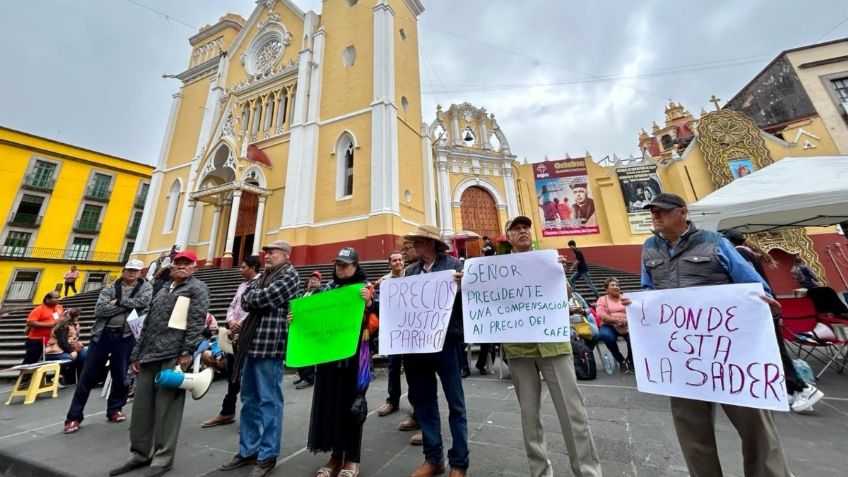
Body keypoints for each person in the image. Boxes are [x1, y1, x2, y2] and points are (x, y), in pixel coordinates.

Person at [641, 192, 792, 477]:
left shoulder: (714, 241)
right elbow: (649, 290)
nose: (655, 215)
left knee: (756, 426)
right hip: (684, 355)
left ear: (682, 212)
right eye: (653, 211)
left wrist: (766, 304)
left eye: (662, 210)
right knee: (691, 428)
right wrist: (637, 307)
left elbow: (754, 286)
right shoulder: (649, 248)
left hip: (731, 353)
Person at [495, 215, 602, 477]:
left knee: (574, 413)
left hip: (553, 343)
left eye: (525, 227)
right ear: (508, 237)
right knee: (529, 418)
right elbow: (489, 299)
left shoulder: (549, 260)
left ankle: (588, 472)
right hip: (519, 347)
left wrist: (560, 274)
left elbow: (565, 295)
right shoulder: (498, 268)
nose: (522, 231)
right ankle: (540, 472)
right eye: (516, 228)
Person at [110, 251, 208, 477]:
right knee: (142, 407)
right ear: (171, 267)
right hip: (150, 354)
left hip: (173, 354)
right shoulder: (163, 289)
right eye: (178, 263)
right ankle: (140, 453)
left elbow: (196, 320)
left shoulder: (197, 288)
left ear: (194, 267)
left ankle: (163, 458)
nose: (182, 266)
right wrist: (136, 354)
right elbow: (147, 323)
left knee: (167, 409)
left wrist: (187, 351)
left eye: (187, 263)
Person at [219, 240, 299, 477]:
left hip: (270, 345)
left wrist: (254, 296)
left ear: (284, 255)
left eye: (271, 252)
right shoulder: (265, 275)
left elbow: (265, 298)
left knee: (269, 401)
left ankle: (267, 455)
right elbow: (246, 298)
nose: (266, 256)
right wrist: (254, 296)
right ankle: (248, 450)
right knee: (250, 399)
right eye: (265, 252)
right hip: (251, 344)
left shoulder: (290, 275)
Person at [723, 230, 824, 412]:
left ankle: (803, 388)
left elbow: (749, 285)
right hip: (764, 307)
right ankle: (790, 389)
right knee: (773, 350)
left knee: (774, 351)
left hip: (759, 309)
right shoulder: (748, 253)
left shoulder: (739, 254)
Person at [403, 224, 468, 477]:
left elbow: (471, 300)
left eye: (416, 241)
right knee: (425, 402)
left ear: (429, 244)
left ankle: (459, 463)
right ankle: (433, 459)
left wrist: (463, 287)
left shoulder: (455, 267)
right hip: (417, 346)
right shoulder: (410, 272)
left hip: (447, 343)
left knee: (456, 403)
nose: (412, 245)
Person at [305, 247, 374, 477]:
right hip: (330, 359)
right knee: (332, 406)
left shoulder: (365, 289)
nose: (341, 268)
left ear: (356, 266)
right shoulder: (327, 290)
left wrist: (368, 306)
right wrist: (298, 318)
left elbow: (375, 326)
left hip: (355, 360)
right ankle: (335, 457)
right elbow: (315, 320)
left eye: (345, 264)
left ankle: (352, 459)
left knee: (352, 408)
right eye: (338, 264)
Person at [65, 259, 152, 434]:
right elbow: (100, 310)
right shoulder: (109, 288)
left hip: (126, 336)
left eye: (135, 271)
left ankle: (115, 409)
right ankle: (74, 416)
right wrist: (127, 304)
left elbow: (144, 303)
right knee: (87, 376)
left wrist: (117, 302)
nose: (131, 273)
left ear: (140, 272)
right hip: (103, 335)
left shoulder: (146, 288)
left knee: (120, 375)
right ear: (123, 271)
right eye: (129, 270)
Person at [202, 256, 262, 428]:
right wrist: (230, 322)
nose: (240, 269)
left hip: (249, 334)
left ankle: (250, 417)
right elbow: (232, 306)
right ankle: (227, 411)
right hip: (234, 335)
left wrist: (239, 324)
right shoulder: (242, 285)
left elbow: (254, 308)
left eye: (243, 267)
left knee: (248, 376)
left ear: (253, 268)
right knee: (233, 375)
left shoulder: (260, 283)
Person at [594, 277, 633, 373]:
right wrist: (615, 320)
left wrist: (626, 320)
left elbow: (634, 311)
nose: (616, 287)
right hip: (609, 324)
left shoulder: (626, 298)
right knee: (606, 336)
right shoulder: (602, 299)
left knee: (633, 338)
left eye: (617, 285)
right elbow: (600, 314)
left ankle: (630, 360)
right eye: (612, 285)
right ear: (607, 289)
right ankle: (620, 360)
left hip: (627, 324)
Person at [294, 271, 323, 390]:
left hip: (312, 327)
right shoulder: (303, 293)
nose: (313, 281)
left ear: (320, 282)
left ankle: (309, 378)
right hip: (301, 326)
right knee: (301, 352)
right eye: (311, 279)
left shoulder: (321, 293)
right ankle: (302, 375)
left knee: (308, 353)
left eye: (316, 280)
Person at [45, 308, 87, 384]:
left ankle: (81, 378)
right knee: (70, 358)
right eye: (78, 316)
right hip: (55, 350)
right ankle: (66, 378)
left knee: (85, 353)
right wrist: (71, 352)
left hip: (67, 348)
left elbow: (74, 339)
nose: (78, 318)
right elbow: (62, 342)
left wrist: (77, 348)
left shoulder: (74, 324)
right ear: (74, 317)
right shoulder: (62, 326)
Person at [23, 291, 63, 364]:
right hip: (36, 340)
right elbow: (30, 322)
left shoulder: (59, 307)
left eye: (59, 297)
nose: (59, 299)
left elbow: (60, 318)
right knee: (31, 361)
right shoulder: (39, 309)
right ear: (47, 299)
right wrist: (49, 325)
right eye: (56, 298)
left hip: (51, 340)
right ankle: (25, 375)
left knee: (44, 362)